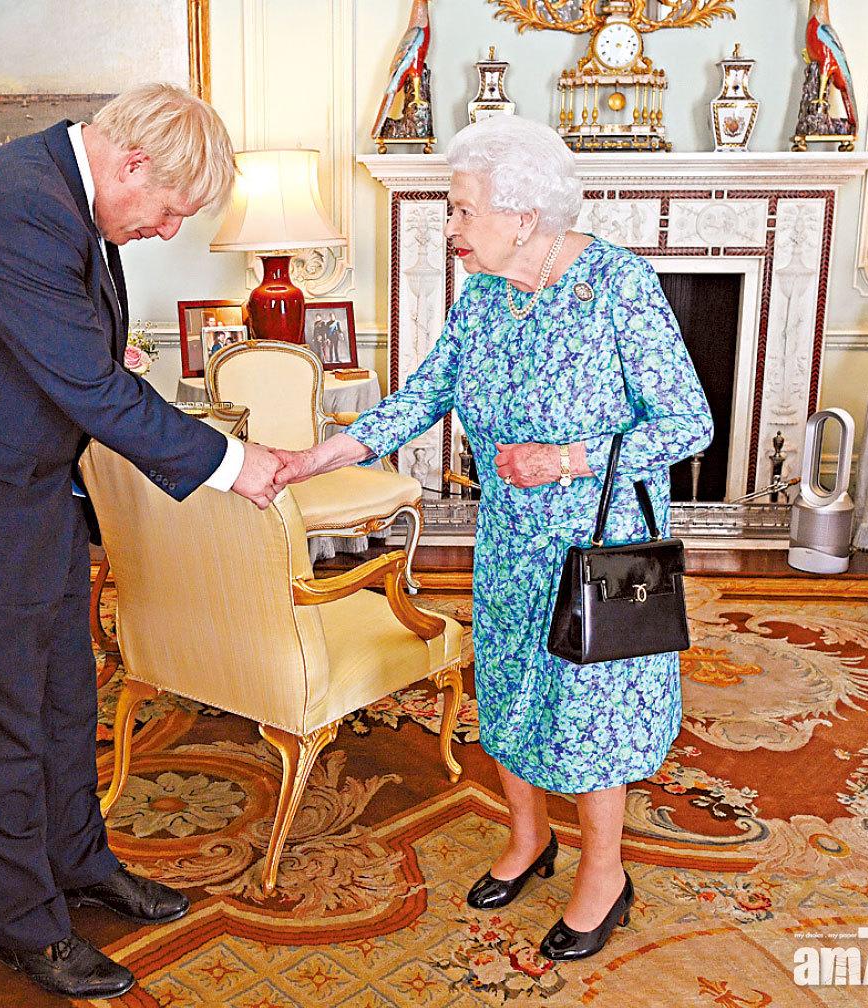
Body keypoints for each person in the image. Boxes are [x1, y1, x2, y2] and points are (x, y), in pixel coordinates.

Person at [0, 83, 282, 1000]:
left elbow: (71, 351)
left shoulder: (62, 187)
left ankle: (81, 863)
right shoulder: (20, 208)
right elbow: (89, 383)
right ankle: (29, 928)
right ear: (132, 163)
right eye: (169, 210)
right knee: (2, 723)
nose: (167, 231)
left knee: (64, 698)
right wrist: (234, 463)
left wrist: (96, 361)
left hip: (28, 484)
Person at [273, 115, 713, 963]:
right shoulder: (483, 294)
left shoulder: (618, 284)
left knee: (591, 712)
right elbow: (424, 394)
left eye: (464, 210)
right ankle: (528, 838)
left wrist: (565, 459)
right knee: (509, 689)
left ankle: (605, 876)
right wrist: (321, 454)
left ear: (524, 215)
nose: (451, 226)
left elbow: (687, 422)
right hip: (511, 540)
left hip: (599, 546)